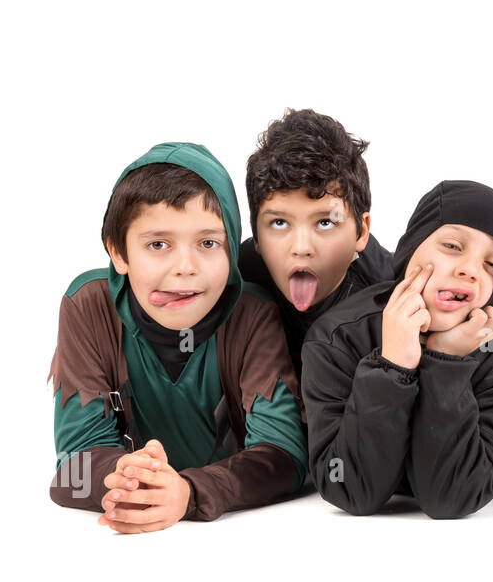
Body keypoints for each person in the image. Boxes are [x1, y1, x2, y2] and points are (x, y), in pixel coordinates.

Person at [49, 142, 308, 532]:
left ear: (232, 252)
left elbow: (283, 456)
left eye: (208, 244)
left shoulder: (252, 313)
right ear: (118, 252)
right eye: (158, 245)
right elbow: (72, 466)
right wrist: (122, 475)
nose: (185, 268)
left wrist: (191, 492)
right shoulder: (88, 305)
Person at [301, 180, 493, 518]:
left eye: (491, 265)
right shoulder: (336, 338)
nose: (469, 270)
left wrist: (446, 361)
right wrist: (392, 366)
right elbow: (348, 488)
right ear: (412, 248)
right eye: (453, 246)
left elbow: (451, 497)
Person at [239, 108, 393, 377]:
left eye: (325, 222)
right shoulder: (235, 277)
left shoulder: (388, 294)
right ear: (256, 235)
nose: (301, 247)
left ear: (361, 232)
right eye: (279, 223)